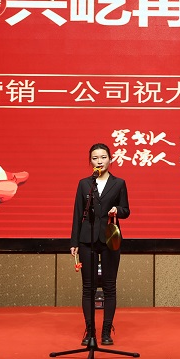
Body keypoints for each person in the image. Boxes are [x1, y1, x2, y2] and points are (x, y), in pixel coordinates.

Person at [70, 143, 130, 346]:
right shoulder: (85, 184)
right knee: (88, 287)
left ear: (110, 159)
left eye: (103, 157)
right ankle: (90, 332)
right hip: (87, 239)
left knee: (109, 286)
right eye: (95, 158)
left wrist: (117, 210)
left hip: (110, 238)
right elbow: (78, 213)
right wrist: (74, 241)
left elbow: (126, 210)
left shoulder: (119, 183)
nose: (99, 161)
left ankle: (106, 332)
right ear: (90, 161)